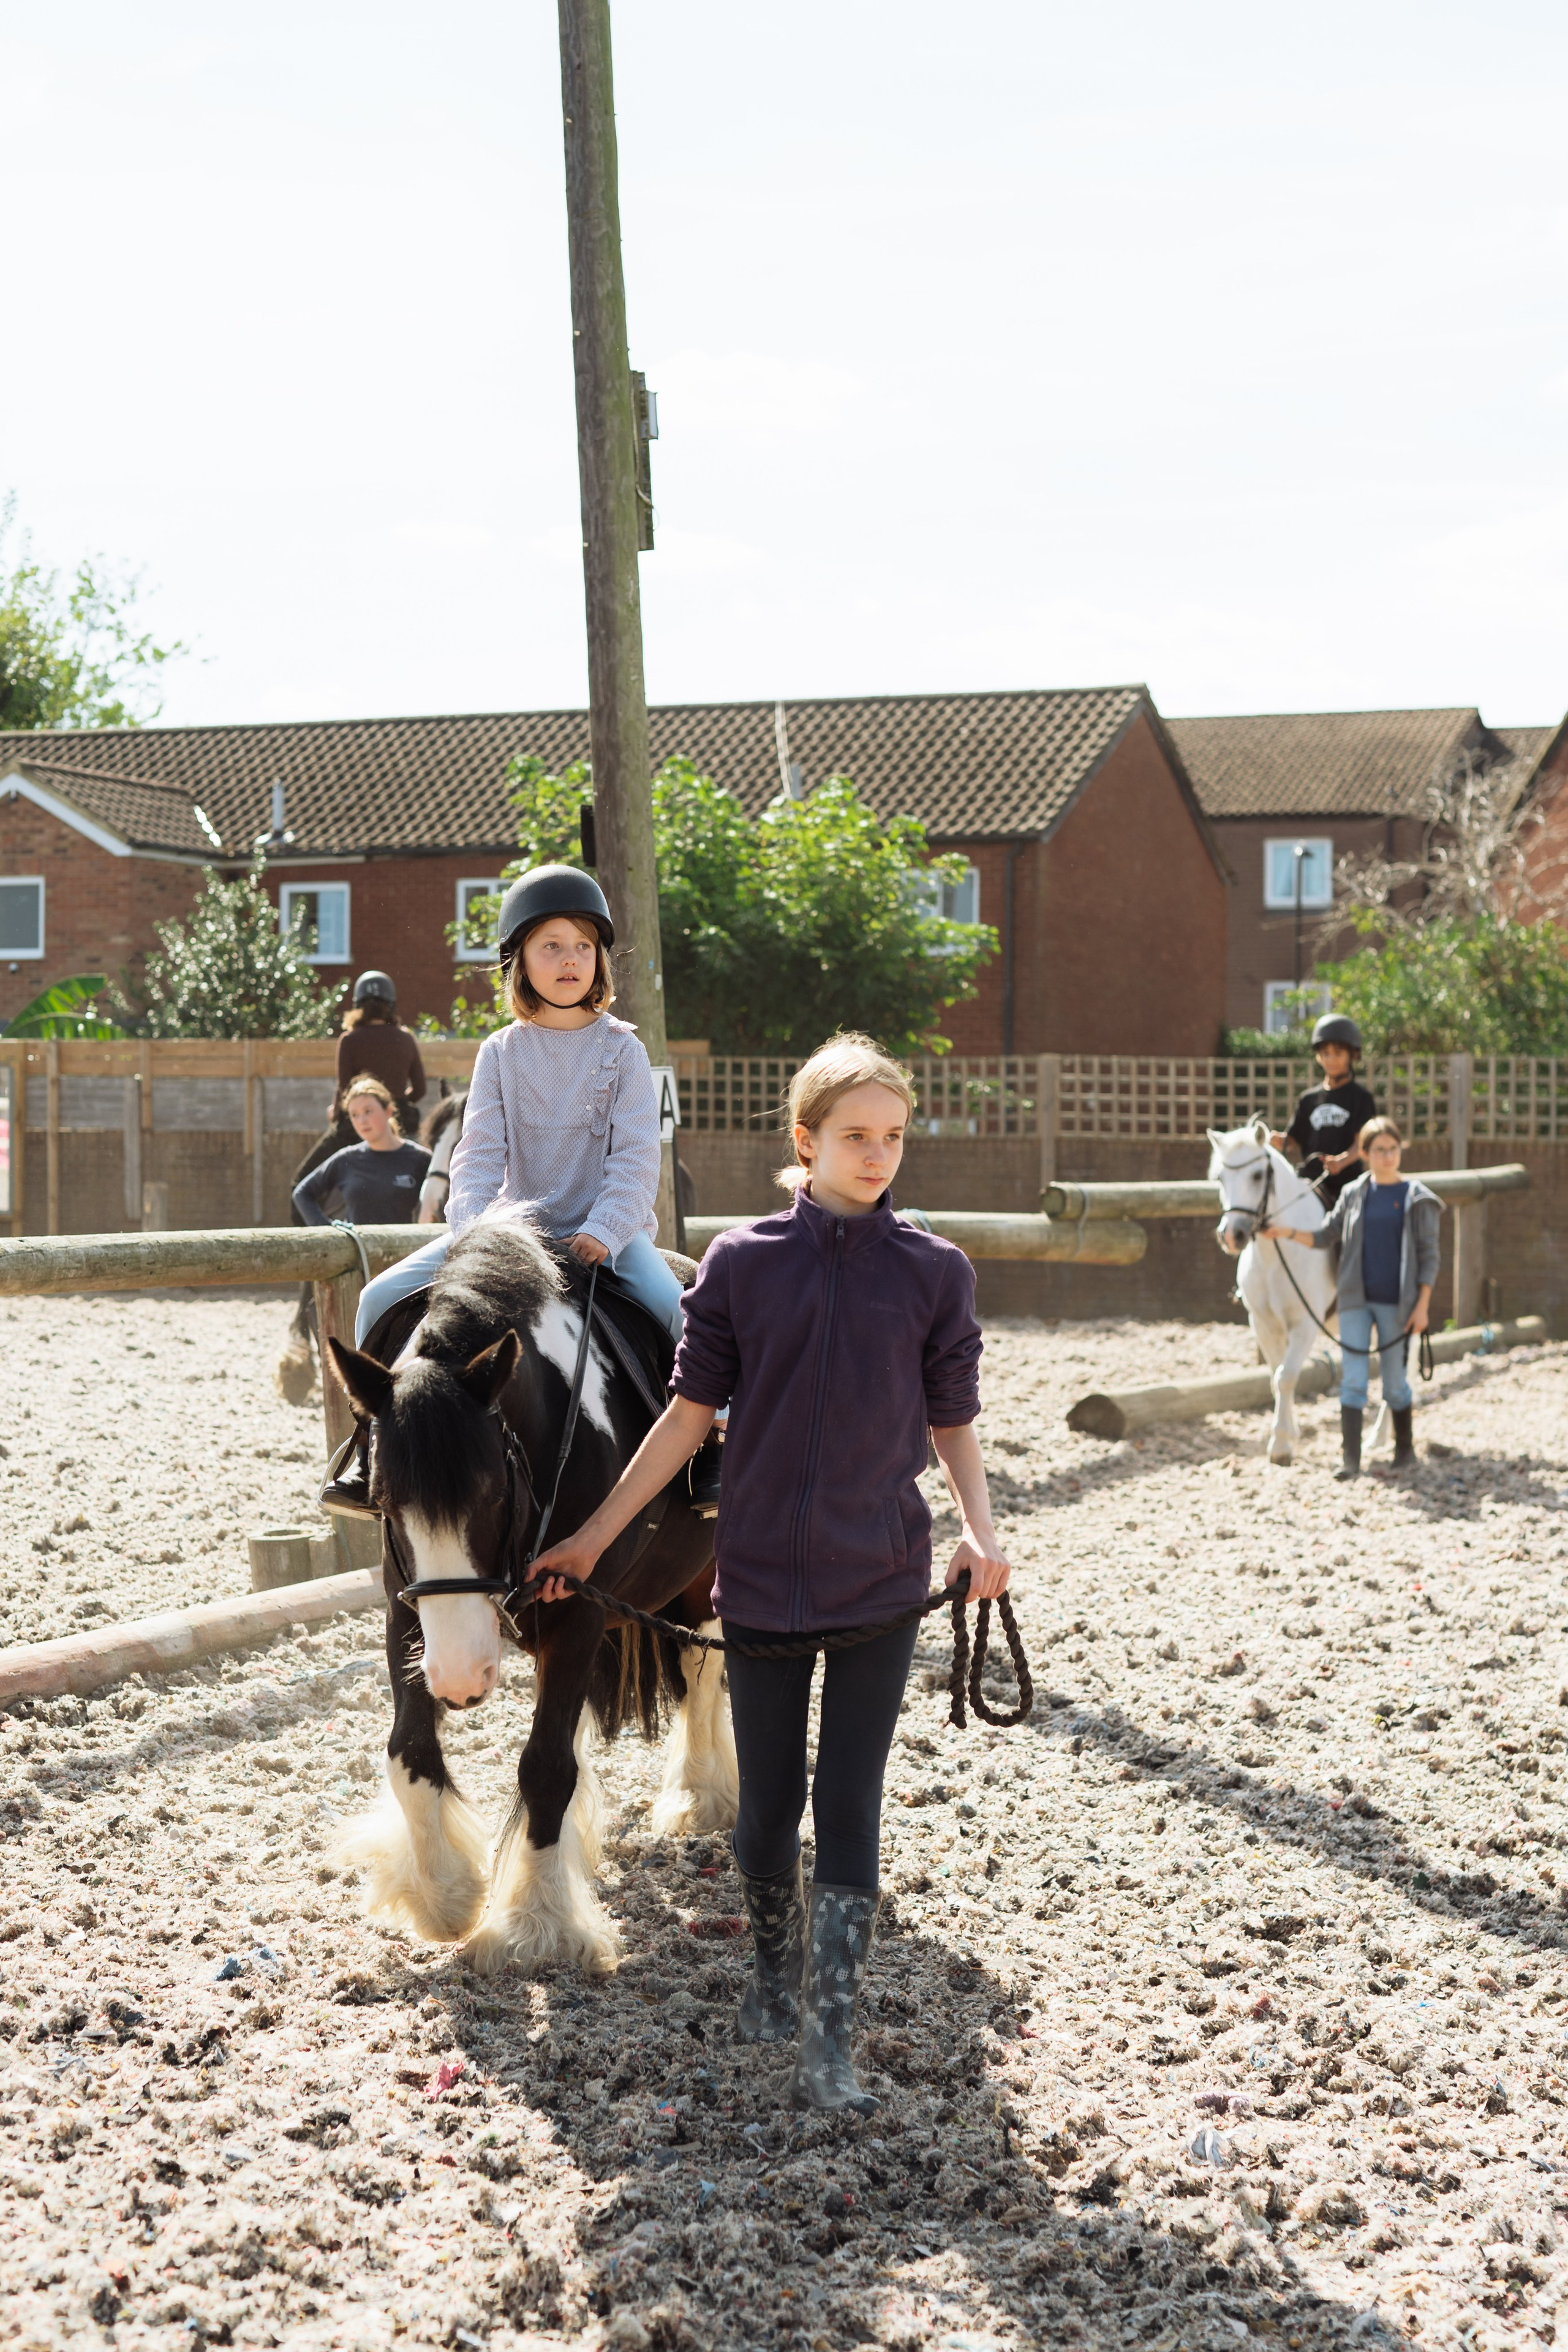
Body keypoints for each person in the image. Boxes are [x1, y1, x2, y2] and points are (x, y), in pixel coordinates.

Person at [530, 1033, 1009, 2116]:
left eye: (893, 1137)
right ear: (806, 1141)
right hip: (756, 1581)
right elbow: (683, 1420)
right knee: (765, 1809)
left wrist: (980, 1534)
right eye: (857, 1136)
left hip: (881, 1579)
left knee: (849, 1801)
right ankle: (771, 1972)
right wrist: (592, 1540)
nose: (878, 1155)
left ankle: (829, 2041)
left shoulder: (936, 1272)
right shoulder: (741, 1264)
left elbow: (954, 1423)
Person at [328, 865, 718, 1505]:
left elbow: (635, 1160)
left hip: (609, 1237)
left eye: (583, 946)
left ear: (599, 961)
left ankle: (713, 1448)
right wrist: (476, 1238)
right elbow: (478, 1158)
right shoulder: (500, 1053)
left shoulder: (623, 1051)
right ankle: (371, 1446)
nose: (570, 960)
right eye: (551, 946)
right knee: (376, 1298)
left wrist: (603, 1230)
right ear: (519, 962)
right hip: (510, 1238)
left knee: (683, 1312)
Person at [1264, 1114, 1441, 1481]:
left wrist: (1422, 1306)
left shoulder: (1417, 1198)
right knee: (1353, 1380)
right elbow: (1325, 1235)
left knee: (1395, 1382)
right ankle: (1351, 1460)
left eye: (1392, 1149)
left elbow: (1430, 1257)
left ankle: (1404, 1451)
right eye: (1379, 1150)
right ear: (1366, 1154)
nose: (1387, 1156)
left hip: (1398, 1304)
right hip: (1355, 1301)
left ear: (1400, 1150)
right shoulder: (1354, 1193)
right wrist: (1285, 1232)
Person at [292, 1077, 432, 1229]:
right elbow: (302, 1193)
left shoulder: (422, 1159)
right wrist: (328, 1232)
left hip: (408, 1245)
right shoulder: (347, 1158)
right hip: (358, 1245)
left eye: (368, 1111)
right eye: (354, 1115)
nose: (362, 1121)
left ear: (388, 1111)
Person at [1268, 1013, 1377, 1207]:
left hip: (1348, 1185)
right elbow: (1292, 1139)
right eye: (1325, 1054)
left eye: (1338, 1054)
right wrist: (1279, 1141)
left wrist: (1341, 1162)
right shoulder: (1308, 1099)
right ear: (1318, 1057)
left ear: (1353, 1056)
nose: (1331, 1059)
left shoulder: (1361, 1098)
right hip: (1310, 1184)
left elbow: (1361, 1142)